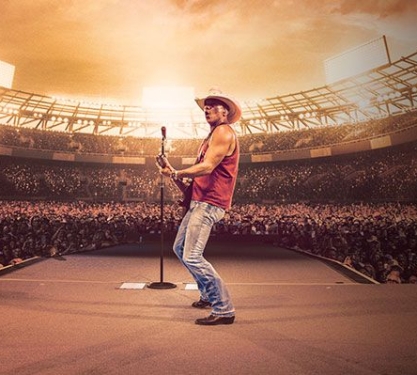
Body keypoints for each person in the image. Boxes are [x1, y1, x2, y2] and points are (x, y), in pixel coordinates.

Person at [157, 89, 241, 325]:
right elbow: (195, 180)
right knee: (180, 247)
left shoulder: (224, 132)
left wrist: (176, 171)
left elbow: (208, 167)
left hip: (209, 202)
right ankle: (207, 295)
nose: (207, 109)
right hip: (199, 200)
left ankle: (224, 309)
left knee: (192, 256)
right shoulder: (211, 136)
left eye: (213, 106)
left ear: (225, 111)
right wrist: (172, 172)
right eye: (206, 106)